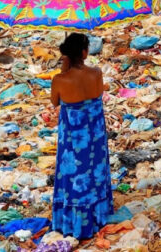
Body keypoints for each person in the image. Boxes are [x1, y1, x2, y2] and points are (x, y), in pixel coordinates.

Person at [50, 33, 113, 239]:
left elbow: (55, 102)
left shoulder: (59, 80)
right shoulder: (96, 73)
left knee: (74, 175)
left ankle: (75, 220)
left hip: (73, 139)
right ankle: (98, 214)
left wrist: (63, 71)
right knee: (95, 172)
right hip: (95, 135)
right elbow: (95, 95)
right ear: (85, 52)